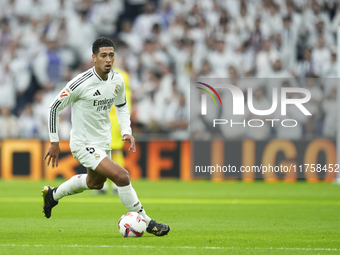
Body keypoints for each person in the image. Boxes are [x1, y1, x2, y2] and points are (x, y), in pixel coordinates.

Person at [42, 37, 170, 236]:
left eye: (111, 55)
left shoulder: (117, 79)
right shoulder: (80, 83)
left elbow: (121, 106)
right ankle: (147, 221)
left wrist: (126, 130)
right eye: (103, 55)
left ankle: (53, 194)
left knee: (95, 183)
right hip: (83, 143)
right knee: (122, 176)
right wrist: (54, 142)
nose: (108, 59)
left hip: (103, 141)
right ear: (94, 58)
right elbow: (53, 107)